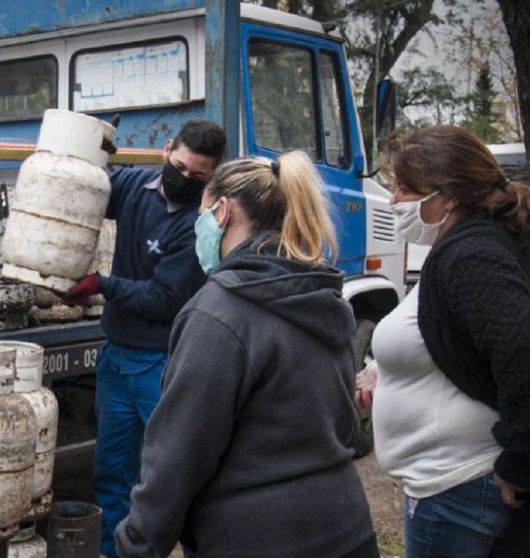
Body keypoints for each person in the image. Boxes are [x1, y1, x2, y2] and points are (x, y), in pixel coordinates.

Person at [113, 151, 380, 558]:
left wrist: (137, 545)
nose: (195, 225)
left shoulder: (219, 312)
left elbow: (178, 455)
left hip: (255, 537)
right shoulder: (323, 295)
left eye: (200, 212)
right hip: (346, 528)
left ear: (221, 212)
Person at [354, 125, 530, 558]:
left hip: (459, 486)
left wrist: (519, 460)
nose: (392, 200)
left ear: (448, 196)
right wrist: (388, 372)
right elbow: (457, 339)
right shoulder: (461, 245)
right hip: (452, 486)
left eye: (404, 189)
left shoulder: (473, 255)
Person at [61, 120, 227, 558]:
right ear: (167, 149)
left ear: (213, 175)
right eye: (180, 166)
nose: (185, 179)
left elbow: (162, 297)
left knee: (170, 479)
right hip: (117, 359)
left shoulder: (199, 227)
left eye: (198, 176)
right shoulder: (135, 184)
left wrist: (100, 283)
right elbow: (87, 192)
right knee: (111, 473)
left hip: (163, 365)